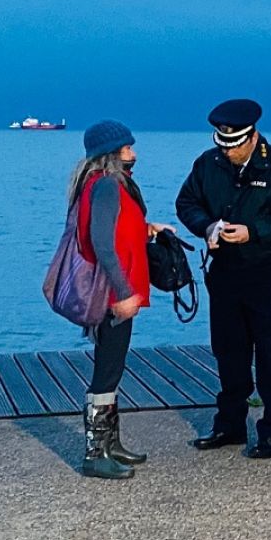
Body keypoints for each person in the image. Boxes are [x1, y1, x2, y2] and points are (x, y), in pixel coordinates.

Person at [176, 99, 271, 459]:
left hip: (268, 270)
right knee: (228, 349)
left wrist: (254, 231)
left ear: (251, 138)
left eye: (235, 145)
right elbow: (186, 203)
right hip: (224, 270)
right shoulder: (207, 163)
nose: (229, 152)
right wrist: (208, 226)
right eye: (223, 144)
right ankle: (229, 424)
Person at [70, 119, 174, 480]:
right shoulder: (106, 188)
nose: (134, 153)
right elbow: (101, 243)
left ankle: (110, 444)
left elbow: (116, 229)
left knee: (112, 367)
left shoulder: (108, 186)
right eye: (128, 148)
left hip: (118, 289)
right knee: (107, 369)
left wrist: (149, 228)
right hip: (115, 293)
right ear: (111, 154)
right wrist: (125, 292)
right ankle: (95, 452)